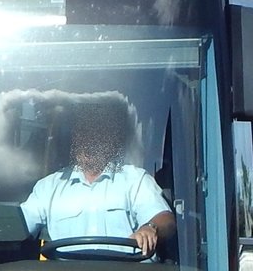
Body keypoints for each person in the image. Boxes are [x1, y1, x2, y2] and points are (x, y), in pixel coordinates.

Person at [19, 98, 175, 258]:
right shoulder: (48, 187)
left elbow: (165, 220)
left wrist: (150, 227)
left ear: (109, 139)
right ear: (74, 140)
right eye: (82, 135)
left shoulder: (135, 180)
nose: (88, 143)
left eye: (95, 135)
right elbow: (17, 228)